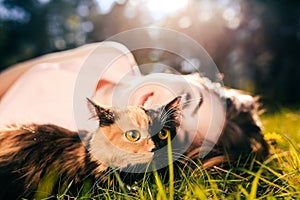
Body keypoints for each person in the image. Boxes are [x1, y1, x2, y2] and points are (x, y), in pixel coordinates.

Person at [0, 41, 268, 166]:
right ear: (186, 76)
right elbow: (16, 74)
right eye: (186, 100)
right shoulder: (111, 55)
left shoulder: (89, 149)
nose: (162, 112)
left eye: (177, 129)